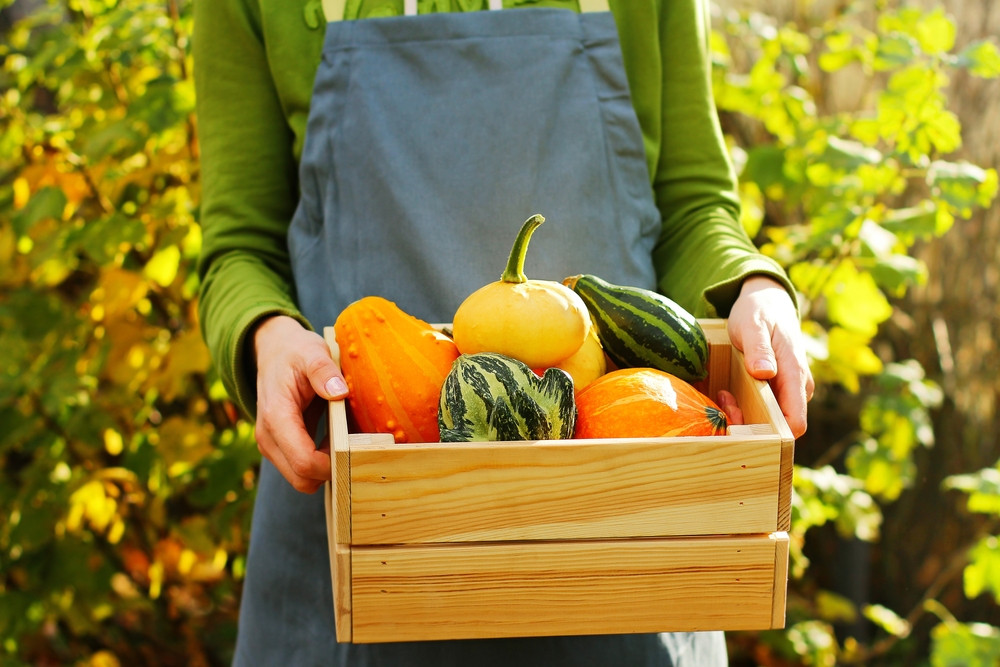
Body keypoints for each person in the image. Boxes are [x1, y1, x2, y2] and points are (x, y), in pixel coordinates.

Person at [193, 0, 814, 664]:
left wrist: (757, 285)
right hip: (360, 547)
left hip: (625, 547)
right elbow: (240, 247)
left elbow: (691, 206)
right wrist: (264, 333)